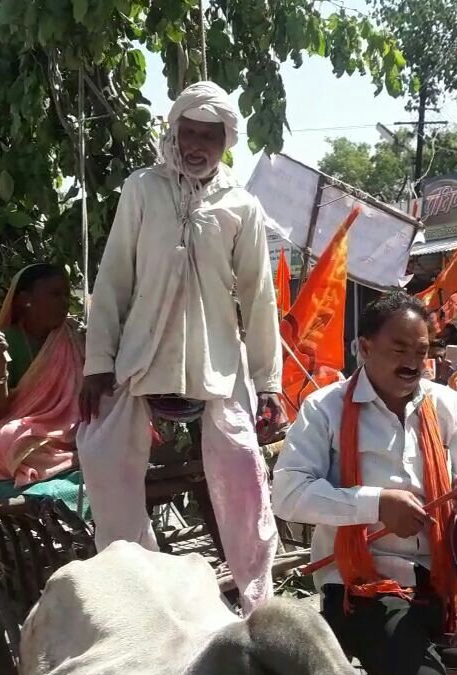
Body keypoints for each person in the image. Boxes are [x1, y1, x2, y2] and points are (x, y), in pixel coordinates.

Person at [77, 81, 283, 613]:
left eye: (208, 137)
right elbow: (114, 277)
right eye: (187, 132)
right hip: (141, 357)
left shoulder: (242, 205)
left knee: (245, 472)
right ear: (173, 132)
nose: (195, 145)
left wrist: (269, 384)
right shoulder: (142, 188)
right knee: (101, 455)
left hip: (216, 365)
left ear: (225, 141)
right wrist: (98, 362)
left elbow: (259, 297)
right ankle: (134, 585)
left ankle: (259, 603)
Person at [273, 292, 457, 675]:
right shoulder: (324, 408)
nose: (413, 362)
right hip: (362, 587)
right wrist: (377, 504)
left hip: (447, 575)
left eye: (421, 351)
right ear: (365, 348)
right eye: (399, 349)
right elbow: (287, 495)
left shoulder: (448, 405)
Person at [0, 264, 82, 486]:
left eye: (66, 295)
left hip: (77, 431)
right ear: (26, 300)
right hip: (28, 438)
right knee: (5, 441)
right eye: (55, 294)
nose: (64, 302)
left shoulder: (76, 338)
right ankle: (73, 461)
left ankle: (72, 459)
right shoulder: (4, 341)